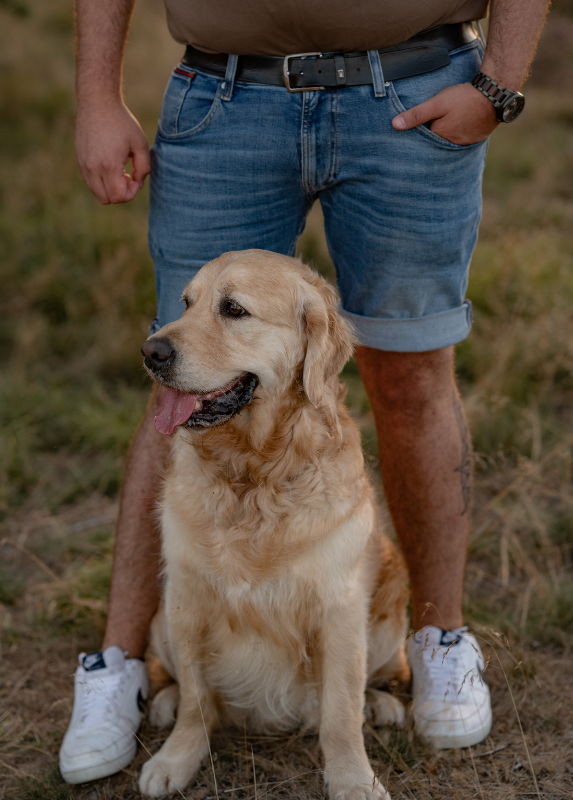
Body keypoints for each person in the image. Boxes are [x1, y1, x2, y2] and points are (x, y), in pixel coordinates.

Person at [59, 0, 551, 785]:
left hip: (414, 89)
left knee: (414, 372)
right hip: (224, 99)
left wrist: (499, 84)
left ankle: (438, 641)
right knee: (188, 379)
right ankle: (122, 663)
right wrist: (94, 94)